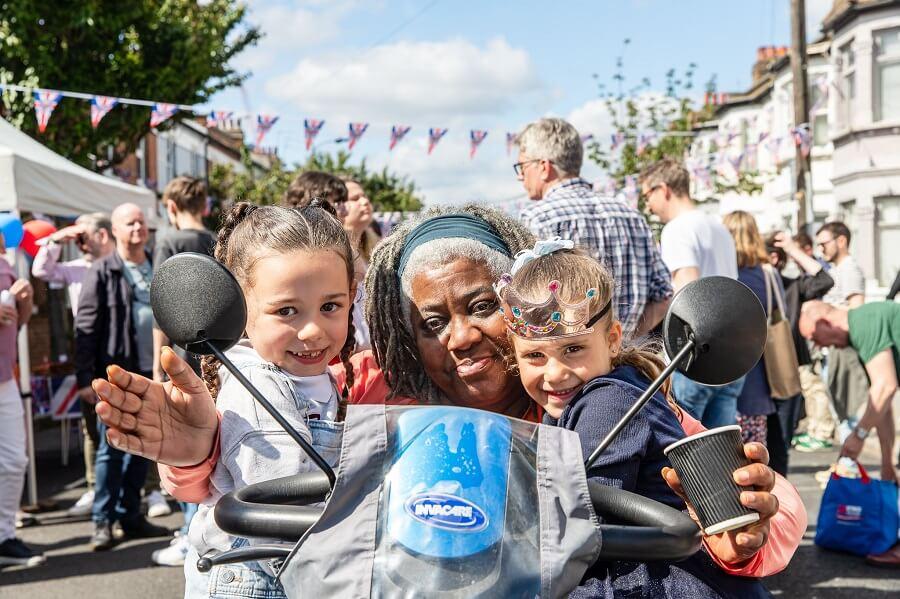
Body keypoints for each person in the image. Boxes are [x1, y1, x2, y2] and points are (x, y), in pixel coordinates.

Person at [93, 205, 805, 581]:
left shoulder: (598, 390)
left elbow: (757, 518)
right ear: (404, 337)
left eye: (481, 305)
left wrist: (745, 525)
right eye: (432, 321)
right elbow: (258, 465)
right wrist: (195, 447)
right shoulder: (365, 390)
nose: (461, 337)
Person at [498, 240, 771, 597]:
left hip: (657, 582)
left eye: (573, 348)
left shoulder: (606, 402)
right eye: (534, 355)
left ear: (612, 340)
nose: (555, 373)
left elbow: (583, 528)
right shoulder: (598, 394)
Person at [178, 202, 355, 597]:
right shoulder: (255, 384)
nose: (311, 330)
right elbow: (282, 500)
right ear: (241, 309)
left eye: (331, 306)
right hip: (252, 579)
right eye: (287, 311)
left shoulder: (316, 378)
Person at [516, 118, 672, 339]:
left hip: (567, 362)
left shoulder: (536, 218)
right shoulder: (631, 215)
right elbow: (664, 295)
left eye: (522, 166)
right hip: (627, 362)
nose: (520, 176)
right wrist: (622, 340)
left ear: (544, 167)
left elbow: (526, 302)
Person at [75, 202, 168, 550]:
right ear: (113, 230)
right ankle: (103, 521)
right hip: (115, 374)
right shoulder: (102, 271)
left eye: (141, 222)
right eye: (129, 223)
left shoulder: (157, 268)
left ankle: (131, 516)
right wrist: (85, 377)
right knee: (110, 450)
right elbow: (85, 327)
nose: (137, 229)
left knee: (141, 449)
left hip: (151, 373)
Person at [640, 159, 744, 429]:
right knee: (723, 452)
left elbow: (688, 290)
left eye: (647, 195)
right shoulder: (718, 227)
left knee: (686, 447)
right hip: (729, 354)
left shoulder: (678, 228)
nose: (647, 206)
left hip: (695, 358)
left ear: (663, 189)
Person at [798, 299, 900, 567]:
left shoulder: (864, 322)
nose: (819, 346)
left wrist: (858, 435)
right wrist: (887, 464)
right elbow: (882, 404)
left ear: (825, 321)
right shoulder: (862, 331)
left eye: (814, 337)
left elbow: (886, 386)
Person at [149, 176, 217, 565]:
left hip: (180, 355)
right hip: (216, 353)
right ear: (204, 205)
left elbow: (162, 305)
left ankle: (189, 532)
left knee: (183, 445)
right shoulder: (213, 240)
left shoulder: (168, 241)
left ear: (171, 207)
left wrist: (158, 362)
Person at [31, 212, 115, 517]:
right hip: (87, 350)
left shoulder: (119, 263)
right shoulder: (76, 268)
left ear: (102, 235)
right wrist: (56, 240)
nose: (79, 242)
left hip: (119, 348)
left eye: (84, 236)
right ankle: (95, 487)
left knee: (134, 419)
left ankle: (144, 489)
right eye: (76, 237)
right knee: (91, 425)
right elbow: (41, 270)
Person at [722, 212, 793, 475]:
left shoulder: (725, 276)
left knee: (728, 459)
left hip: (728, 370)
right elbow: (780, 312)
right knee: (756, 458)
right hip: (762, 375)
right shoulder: (769, 274)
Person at [766, 232, 836, 452]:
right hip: (757, 374)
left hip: (790, 366)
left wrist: (792, 249)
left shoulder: (792, 287)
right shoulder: (744, 283)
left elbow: (824, 280)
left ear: (774, 258)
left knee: (780, 444)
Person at [0, 230, 42, 568]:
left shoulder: (8, 267)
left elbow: (20, 322)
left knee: (15, 460)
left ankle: (4, 537)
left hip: (5, 379)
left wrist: (24, 299)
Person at [338, 178, 379, 353]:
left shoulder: (373, 248)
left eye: (364, 196)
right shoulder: (334, 256)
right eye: (355, 198)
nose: (365, 202)